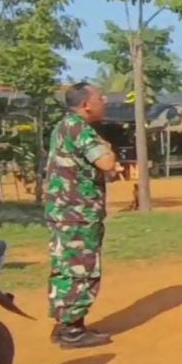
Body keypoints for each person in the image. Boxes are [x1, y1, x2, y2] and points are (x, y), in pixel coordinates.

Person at [45, 82, 118, 348]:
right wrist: (107, 146)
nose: (105, 99)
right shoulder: (79, 127)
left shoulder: (65, 126)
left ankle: (67, 324)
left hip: (67, 210)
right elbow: (107, 163)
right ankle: (71, 330)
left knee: (67, 266)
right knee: (80, 266)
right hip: (77, 212)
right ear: (86, 104)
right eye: (100, 96)